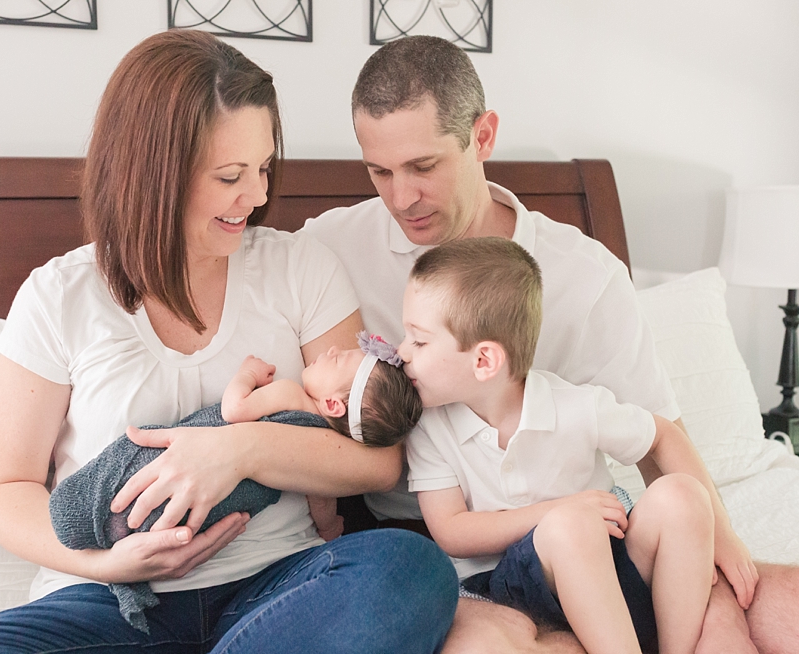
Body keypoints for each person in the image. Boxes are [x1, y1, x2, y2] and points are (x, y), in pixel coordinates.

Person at [0, 30, 457, 653]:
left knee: (409, 570)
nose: (255, 197)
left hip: (274, 588)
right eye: (230, 176)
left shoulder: (300, 267)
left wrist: (240, 450)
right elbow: (3, 488)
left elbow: (376, 458)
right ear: (155, 173)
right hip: (108, 602)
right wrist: (108, 566)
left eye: (263, 168)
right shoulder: (60, 295)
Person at [300, 33, 799, 654]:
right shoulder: (325, 249)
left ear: (482, 137)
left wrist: (718, 561)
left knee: (762, 608)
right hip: (440, 552)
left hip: (597, 530)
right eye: (380, 171)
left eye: (423, 167)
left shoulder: (585, 275)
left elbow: (657, 438)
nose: (401, 198)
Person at [403, 236, 729, 654]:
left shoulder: (575, 405)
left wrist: (725, 535)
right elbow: (451, 531)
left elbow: (663, 434)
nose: (402, 352)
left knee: (681, 494)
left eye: (419, 340)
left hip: (610, 575)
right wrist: (558, 510)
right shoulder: (429, 425)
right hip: (510, 589)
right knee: (570, 523)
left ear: (484, 361)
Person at [47, 333, 421, 629]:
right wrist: (329, 526)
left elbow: (234, 411)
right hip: (213, 527)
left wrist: (247, 375)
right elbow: (321, 493)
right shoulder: (321, 448)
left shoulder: (292, 394)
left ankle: (106, 523)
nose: (331, 350)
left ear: (334, 406)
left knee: (134, 469)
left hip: (231, 534)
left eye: (337, 359)